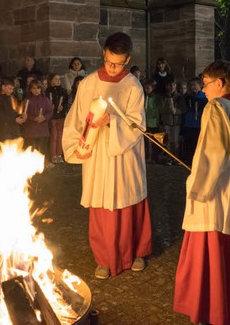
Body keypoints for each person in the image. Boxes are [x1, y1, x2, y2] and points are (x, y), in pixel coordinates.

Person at [174, 59, 230, 325]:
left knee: (211, 255)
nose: (204, 89)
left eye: (206, 84)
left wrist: (196, 189)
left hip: (217, 200)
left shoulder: (217, 107)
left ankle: (212, 309)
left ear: (220, 83)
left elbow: (213, 155)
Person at [63, 32, 152, 280]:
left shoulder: (133, 85)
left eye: (119, 63)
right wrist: (81, 139)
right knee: (101, 203)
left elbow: (138, 124)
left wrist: (111, 121)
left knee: (129, 201)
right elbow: (76, 117)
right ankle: (104, 258)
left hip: (124, 155)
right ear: (104, 54)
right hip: (99, 154)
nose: (113, 68)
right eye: (110, 62)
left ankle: (136, 252)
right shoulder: (88, 83)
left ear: (128, 60)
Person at [22, 79, 54, 168]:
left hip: (42, 128)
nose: (36, 91)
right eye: (34, 88)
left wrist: (44, 117)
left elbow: (50, 111)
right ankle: (32, 164)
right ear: (30, 90)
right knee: (32, 147)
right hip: (31, 128)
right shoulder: (27, 100)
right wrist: (33, 118)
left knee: (43, 147)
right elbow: (24, 113)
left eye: (38, 88)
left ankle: (44, 162)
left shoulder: (45, 99)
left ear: (41, 89)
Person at [0, 77, 26, 146]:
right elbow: (0, 116)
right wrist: (14, 120)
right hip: (3, 131)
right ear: (3, 87)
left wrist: (21, 116)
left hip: (14, 130)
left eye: (12, 89)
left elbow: (15, 112)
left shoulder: (12, 98)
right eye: (9, 88)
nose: (11, 91)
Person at [182, 77, 207, 164]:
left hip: (198, 124)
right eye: (192, 85)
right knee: (189, 142)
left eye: (195, 85)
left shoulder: (204, 98)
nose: (193, 87)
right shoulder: (189, 97)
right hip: (189, 123)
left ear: (200, 86)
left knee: (197, 142)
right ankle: (189, 158)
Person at [45, 73, 68, 164]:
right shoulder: (48, 91)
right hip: (52, 117)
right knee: (54, 136)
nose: (58, 81)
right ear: (51, 81)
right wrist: (51, 106)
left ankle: (59, 154)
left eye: (59, 79)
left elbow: (65, 101)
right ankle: (53, 155)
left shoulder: (63, 91)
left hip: (61, 117)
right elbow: (47, 102)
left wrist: (62, 106)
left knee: (60, 137)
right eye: (55, 79)